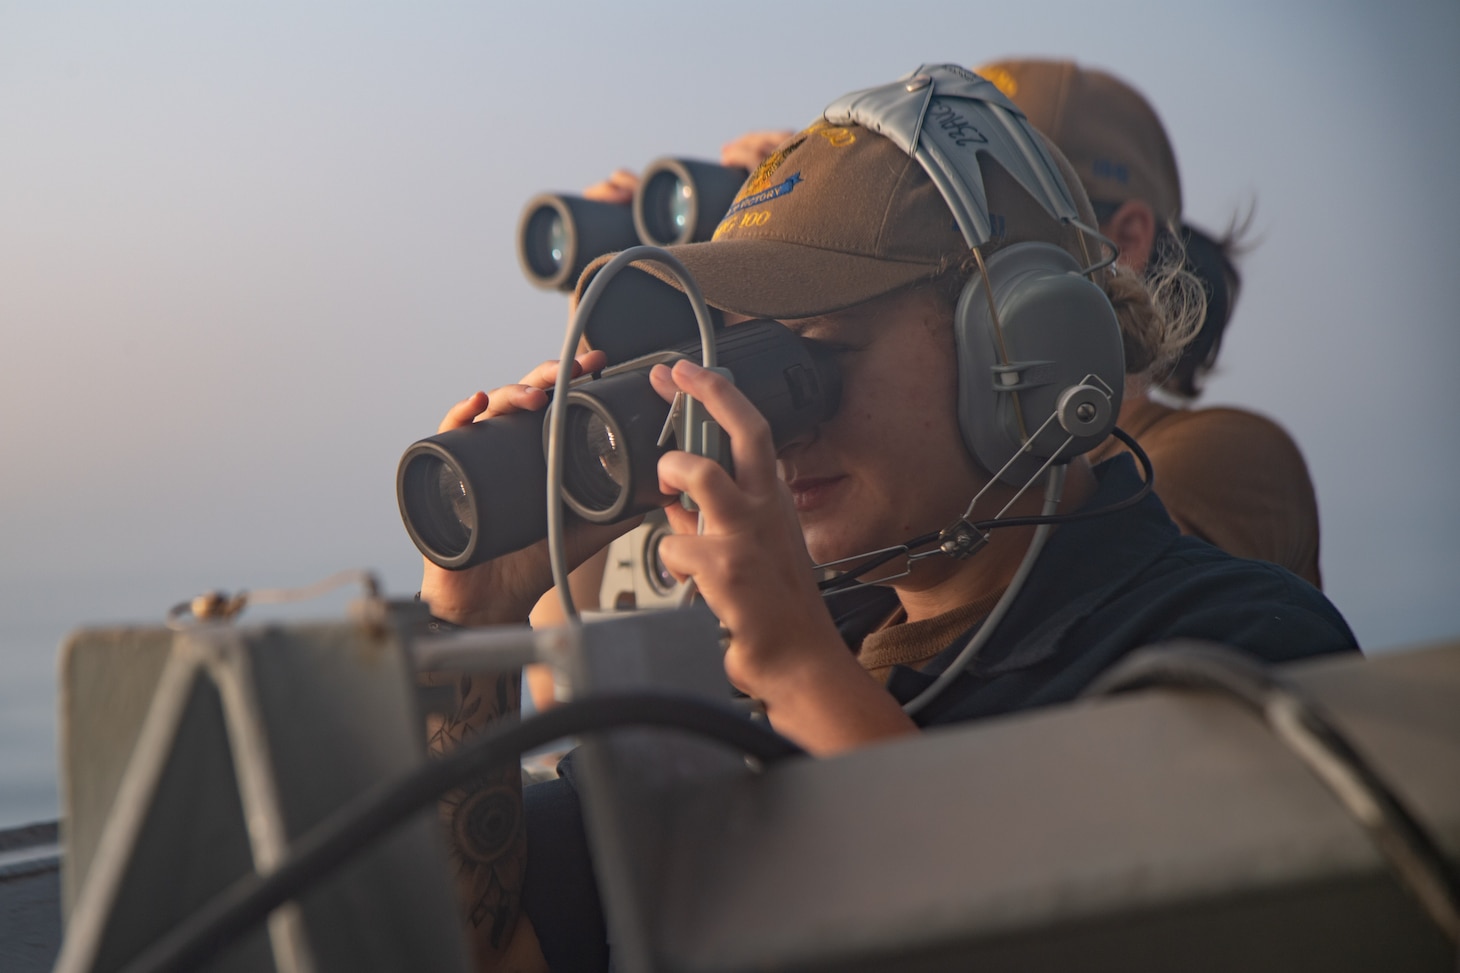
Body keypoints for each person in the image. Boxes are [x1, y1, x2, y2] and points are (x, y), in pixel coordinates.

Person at [418, 66, 1357, 970]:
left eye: (821, 355)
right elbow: (488, 954)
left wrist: (805, 676)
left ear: (1020, 343)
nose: (778, 425)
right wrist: (477, 628)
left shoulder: (1233, 649)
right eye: (750, 362)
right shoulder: (747, 677)